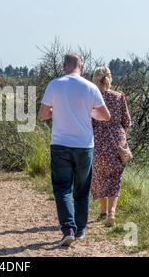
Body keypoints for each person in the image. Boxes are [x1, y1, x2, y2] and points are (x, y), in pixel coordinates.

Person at [38, 53, 111, 247]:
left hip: (60, 143)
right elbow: (105, 115)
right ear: (82, 67)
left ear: (64, 66)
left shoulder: (54, 84)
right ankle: (80, 230)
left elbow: (43, 115)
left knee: (62, 188)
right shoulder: (91, 87)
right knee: (82, 189)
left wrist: (56, 110)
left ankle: (68, 229)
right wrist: (88, 112)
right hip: (84, 145)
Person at [91, 66, 132, 227]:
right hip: (117, 141)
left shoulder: (91, 98)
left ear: (95, 79)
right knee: (115, 178)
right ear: (110, 78)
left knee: (99, 176)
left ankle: (102, 212)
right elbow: (126, 122)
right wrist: (121, 135)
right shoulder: (119, 96)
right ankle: (111, 213)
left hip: (97, 141)